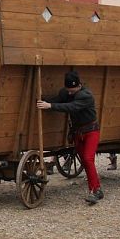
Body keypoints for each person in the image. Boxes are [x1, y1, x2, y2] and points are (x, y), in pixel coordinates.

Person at [37, 71, 103, 205]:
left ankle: (95, 190)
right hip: (77, 133)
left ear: (79, 86)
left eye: (72, 90)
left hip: (91, 131)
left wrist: (50, 106)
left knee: (87, 159)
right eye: (69, 90)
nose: (70, 93)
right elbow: (57, 99)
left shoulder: (86, 96)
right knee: (85, 161)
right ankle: (96, 184)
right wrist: (41, 101)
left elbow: (71, 106)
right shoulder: (66, 93)